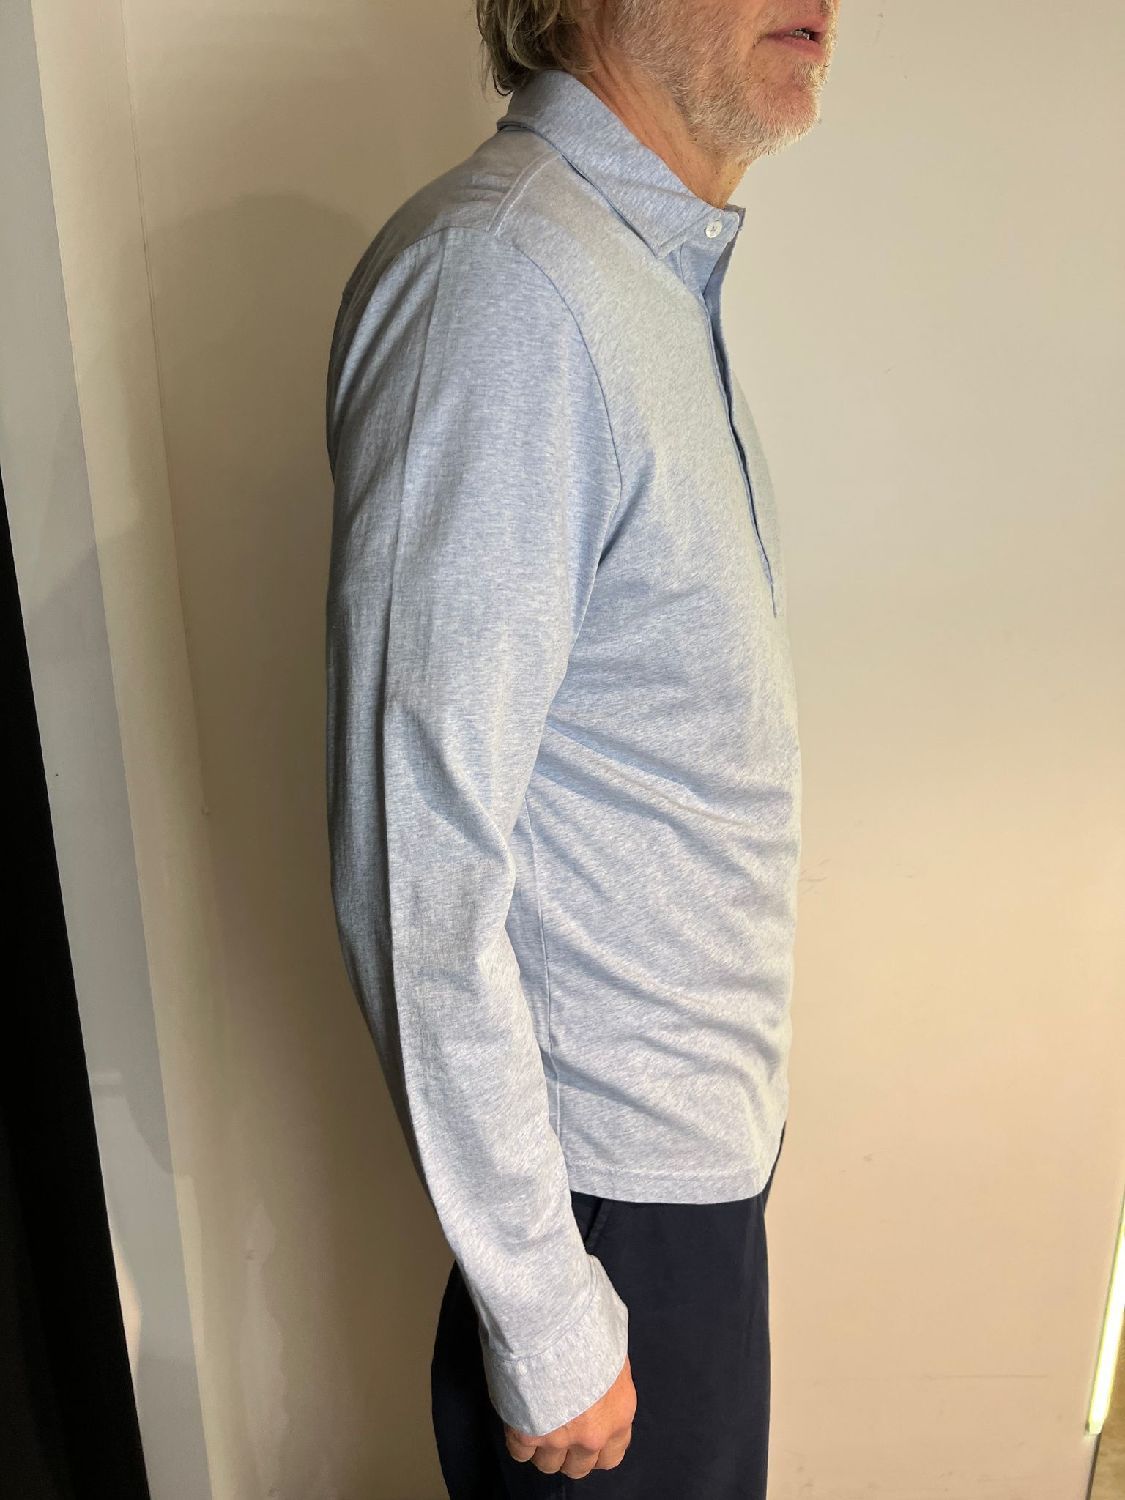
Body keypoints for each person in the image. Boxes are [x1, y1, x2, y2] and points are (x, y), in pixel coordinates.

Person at [324, 1, 838, 1493]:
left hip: (678, 1181)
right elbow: (416, 853)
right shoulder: (507, 285)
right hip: (604, 1224)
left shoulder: (635, 281)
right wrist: (549, 1317)